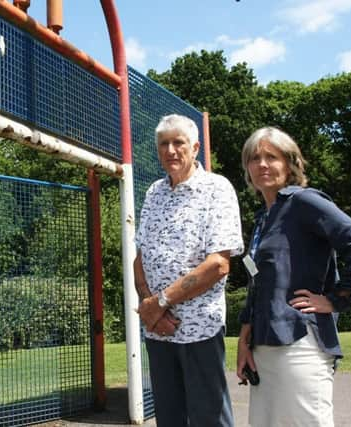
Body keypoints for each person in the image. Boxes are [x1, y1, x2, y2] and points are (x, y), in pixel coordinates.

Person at [236, 126, 351, 427]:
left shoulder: (304, 202)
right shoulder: (263, 219)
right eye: (254, 158)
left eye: (271, 157)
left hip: (299, 344)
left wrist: (337, 298)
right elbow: (258, 284)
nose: (262, 164)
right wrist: (245, 341)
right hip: (264, 347)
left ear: (290, 163)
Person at [135, 114, 244, 426]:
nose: (170, 150)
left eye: (178, 142)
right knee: (169, 418)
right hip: (158, 328)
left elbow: (218, 264)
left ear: (195, 147)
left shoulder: (216, 189)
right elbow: (140, 256)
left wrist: (161, 303)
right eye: (163, 144)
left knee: (209, 417)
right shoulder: (153, 192)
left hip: (199, 327)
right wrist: (149, 307)